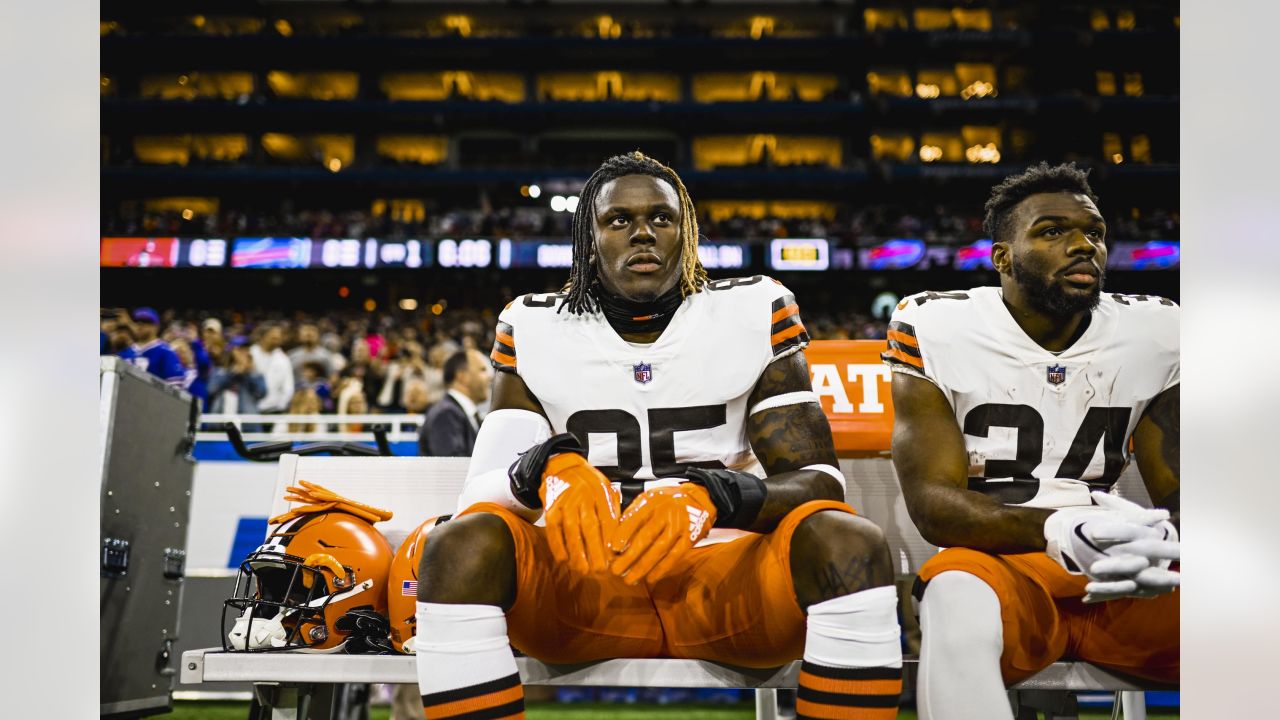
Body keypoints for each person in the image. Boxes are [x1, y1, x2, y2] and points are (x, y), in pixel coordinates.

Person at [415, 152, 903, 720]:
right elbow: (479, 497)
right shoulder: (532, 323)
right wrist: (547, 469)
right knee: (457, 545)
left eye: (661, 219)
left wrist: (718, 495)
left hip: (722, 580)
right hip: (586, 582)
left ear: (687, 232)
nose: (642, 232)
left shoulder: (752, 309)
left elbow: (820, 482)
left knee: (849, 541)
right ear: (589, 236)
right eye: (618, 219)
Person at [883, 162, 1180, 720]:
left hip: (1116, 567)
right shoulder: (937, 323)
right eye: (1052, 232)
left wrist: (1158, 535)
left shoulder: (1155, 332)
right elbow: (933, 505)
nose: (1081, 246)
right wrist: (1058, 528)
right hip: (1002, 564)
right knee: (953, 597)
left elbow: (1184, 491)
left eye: (1093, 233)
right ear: (1002, 257)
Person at [417, 349, 492, 457]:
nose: (490, 376)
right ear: (462, 376)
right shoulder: (446, 414)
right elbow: (453, 469)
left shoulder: (459, 414)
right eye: (483, 370)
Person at [117, 307, 184, 384]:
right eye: (136, 321)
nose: (140, 324)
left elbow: (175, 386)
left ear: (156, 326)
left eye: (146, 321)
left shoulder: (166, 352)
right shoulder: (124, 353)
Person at [250, 323, 295, 416]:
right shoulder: (250, 354)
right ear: (262, 337)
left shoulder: (283, 359)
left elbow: (288, 387)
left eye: (278, 338)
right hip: (249, 408)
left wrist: (281, 406)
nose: (277, 340)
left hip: (274, 410)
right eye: (273, 337)